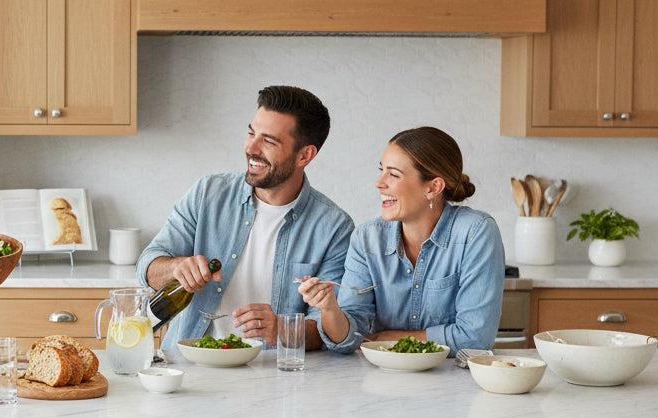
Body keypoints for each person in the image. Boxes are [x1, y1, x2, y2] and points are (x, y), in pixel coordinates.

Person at [137, 85, 354, 350]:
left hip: (272, 377)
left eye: (269, 141)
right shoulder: (207, 193)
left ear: (304, 155)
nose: (252, 148)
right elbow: (146, 266)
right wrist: (175, 268)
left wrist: (283, 330)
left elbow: (328, 329)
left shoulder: (333, 227)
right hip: (189, 367)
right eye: (251, 133)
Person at [298, 126, 505, 355]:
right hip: (383, 380)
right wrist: (329, 308)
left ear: (433, 187)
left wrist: (389, 338)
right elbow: (350, 338)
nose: (379, 183)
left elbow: (475, 338)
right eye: (381, 170)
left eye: (393, 174)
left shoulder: (475, 233)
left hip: (454, 382)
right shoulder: (367, 239)